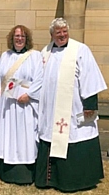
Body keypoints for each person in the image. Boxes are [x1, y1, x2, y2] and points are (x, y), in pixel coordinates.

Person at [35, 18, 107, 192]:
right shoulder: (46, 51)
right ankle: (50, 180)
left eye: (64, 31)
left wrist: (89, 104)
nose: (62, 35)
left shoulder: (80, 50)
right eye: (58, 32)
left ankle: (75, 181)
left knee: (74, 135)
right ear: (51, 35)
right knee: (51, 137)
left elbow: (90, 77)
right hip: (50, 109)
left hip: (74, 106)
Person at [0, 25, 43, 185]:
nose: (19, 39)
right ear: (11, 38)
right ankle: (7, 171)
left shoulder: (35, 56)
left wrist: (29, 95)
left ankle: (25, 172)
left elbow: (40, 78)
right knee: (9, 134)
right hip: (8, 104)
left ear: (27, 39)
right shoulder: (5, 55)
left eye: (22, 36)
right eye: (16, 36)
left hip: (25, 104)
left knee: (24, 135)